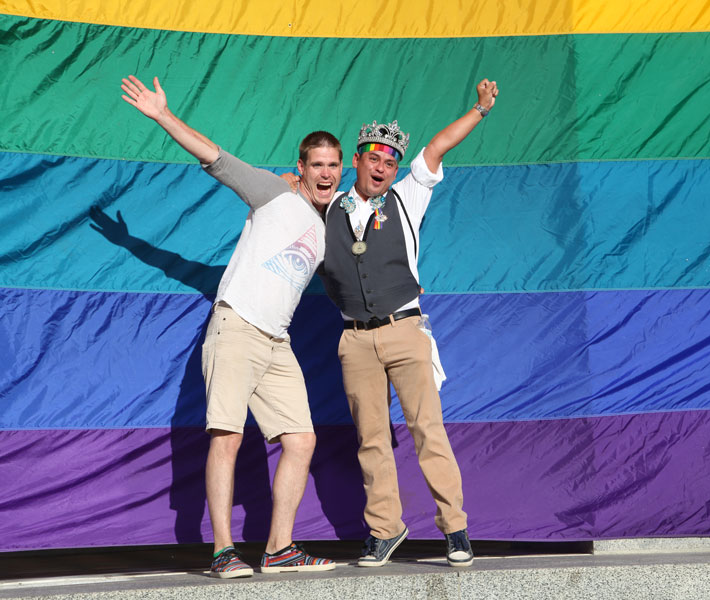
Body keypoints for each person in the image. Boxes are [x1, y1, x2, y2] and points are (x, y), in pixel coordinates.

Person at [120, 74, 340, 578]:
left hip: (277, 342)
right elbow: (215, 158)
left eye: (332, 166)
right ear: (300, 168)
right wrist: (161, 115)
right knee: (227, 436)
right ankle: (222, 551)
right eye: (317, 165)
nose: (325, 174)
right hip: (237, 326)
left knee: (301, 439)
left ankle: (281, 549)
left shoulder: (329, 227)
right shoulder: (273, 193)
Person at [318, 79, 499, 568]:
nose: (382, 167)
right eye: (374, 158)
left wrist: (480, 110)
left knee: (427, 429)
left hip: (404, 329)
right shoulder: (326, 207)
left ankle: (455, 528)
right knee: (370, 439)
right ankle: (385, 529)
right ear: (357, 159)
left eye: (390, 161)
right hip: (354, 339)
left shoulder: (407, 197)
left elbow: (438, 145)